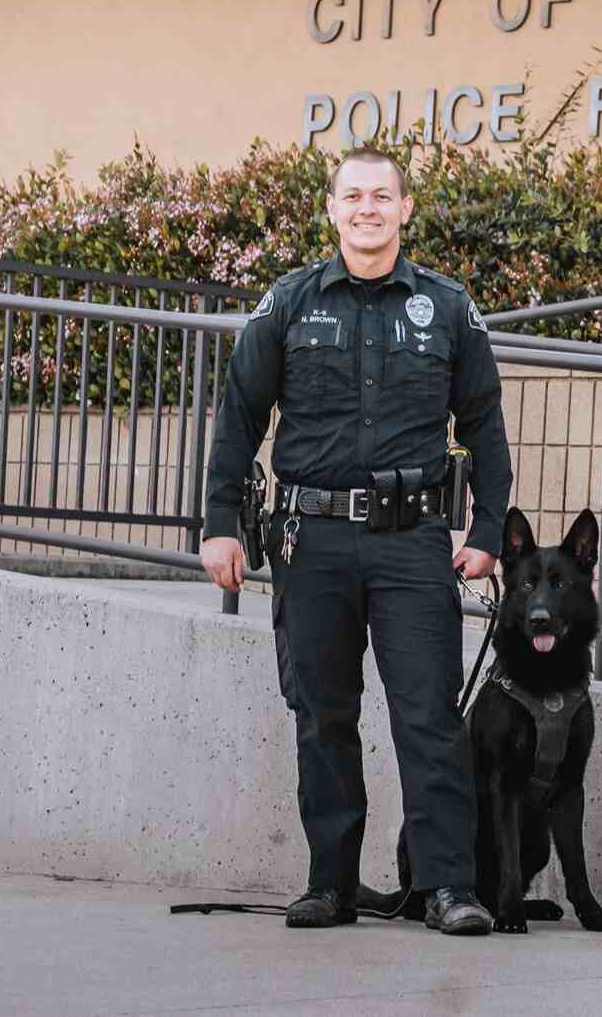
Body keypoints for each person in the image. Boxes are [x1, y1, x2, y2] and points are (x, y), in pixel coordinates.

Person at [200, 147, 514, 936]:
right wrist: (216, 523)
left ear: (407, 209)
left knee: (429, 717)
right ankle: (330, 884)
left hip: (414, 544)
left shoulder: (447, 307)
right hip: (312, 541)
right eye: (354, 196)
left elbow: (484, 424)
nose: (368, 208)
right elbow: (239, 415)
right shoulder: (289, 303)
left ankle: (448, 888)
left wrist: (486, 530)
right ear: (332, 209)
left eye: (383, 196)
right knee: (323, 715)